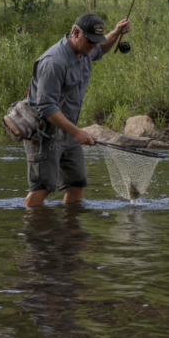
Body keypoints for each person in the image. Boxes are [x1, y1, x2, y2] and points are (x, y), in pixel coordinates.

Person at [22, 12, 131, 208]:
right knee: (42, 187)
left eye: (95, 41)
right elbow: (46, 107)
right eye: (90, 41)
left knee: (77, 183)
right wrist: (77, 133)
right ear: (75, 33)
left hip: (67, 131)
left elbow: (102, 48)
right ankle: (34, 233)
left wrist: (116, 32)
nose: (93, 46)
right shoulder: (53, 62)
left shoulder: (86, 50)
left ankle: (71, 235)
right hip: (44, 132)